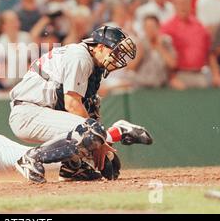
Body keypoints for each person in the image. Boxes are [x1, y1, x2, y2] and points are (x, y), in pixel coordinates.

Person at [9, 25, 153, 183]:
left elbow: (86, 109)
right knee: (91, 130)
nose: (117, 56)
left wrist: (100, 145)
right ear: (99, 46)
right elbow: (72, 104)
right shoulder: (80, 56)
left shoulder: (90, 61)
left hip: (42, 111)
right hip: (28, 113)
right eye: (115, 51)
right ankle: (31, 158)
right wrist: (100, 142)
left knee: (92, 109)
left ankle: (73, 167)